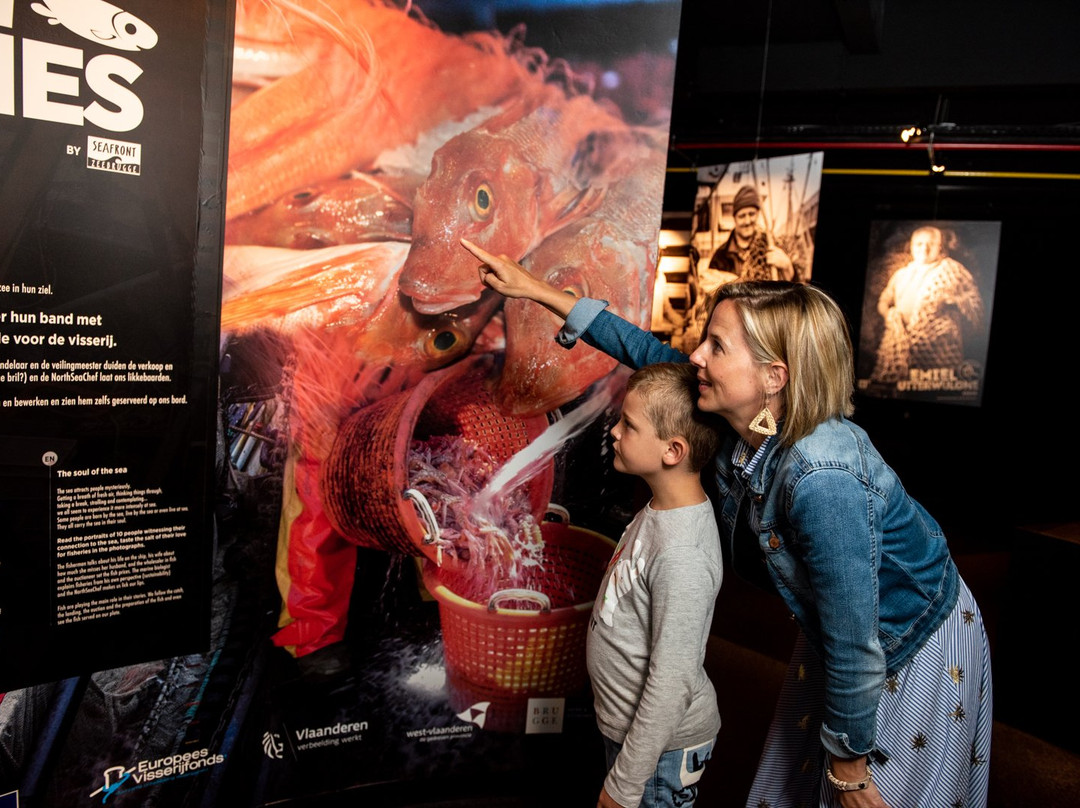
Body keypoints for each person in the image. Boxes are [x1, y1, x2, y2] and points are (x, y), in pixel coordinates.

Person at [460, 237, 992, 808]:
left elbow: (855, 641)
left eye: (717, 346)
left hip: (907, 637)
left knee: (862, 791)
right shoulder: (739, 419)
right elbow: (642, 348)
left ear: (774, 376)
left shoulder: (823, 476)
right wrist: (535, 290)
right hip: (844, 634)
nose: (695, 356)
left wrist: (852, 771)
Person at [591, 361, 724, 808]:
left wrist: (625, 784)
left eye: (629, 425)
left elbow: (672, 682)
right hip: (631, 740)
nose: (614, 431)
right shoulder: (658, 510)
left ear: (673, 450)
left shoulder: (683, 555)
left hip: (657, 756)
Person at [870, 225, 985, 384]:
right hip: (901, 340)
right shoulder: (902, 274)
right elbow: (884, 300)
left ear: (940, 247)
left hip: (938, 344)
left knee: (935, 386)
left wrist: (954, 304)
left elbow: (973, 303)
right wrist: (890, 316)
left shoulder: (952, 271)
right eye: (919, 244)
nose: (924, 248)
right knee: (899, 384)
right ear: (911, 246)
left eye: (930, 244)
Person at [707, 185, 794, 282]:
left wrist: (788, 267)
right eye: (742, 216)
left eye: (751, 214)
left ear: (758, 214)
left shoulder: (772, 247)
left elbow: (793, 287)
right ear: (734, 218)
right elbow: (710, 287)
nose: (747, 221)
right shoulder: (720, 257)